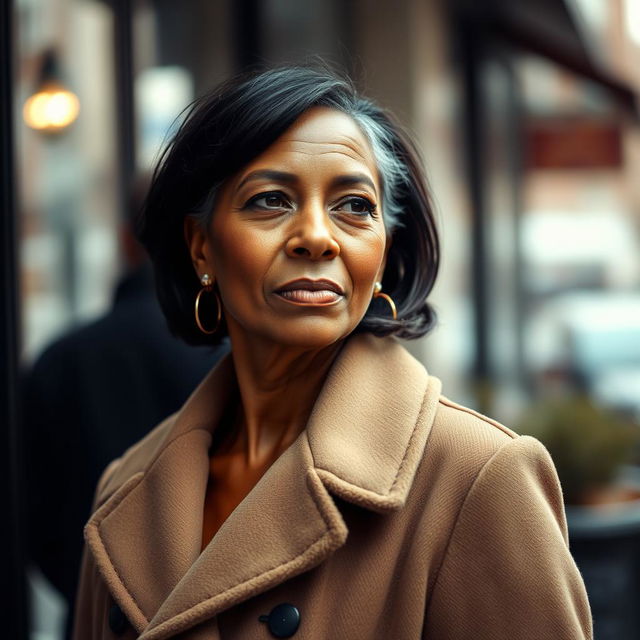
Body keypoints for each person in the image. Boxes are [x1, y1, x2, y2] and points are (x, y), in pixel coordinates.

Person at [72, 65, 592, 639]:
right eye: (270, 200)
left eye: (354, 206)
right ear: (202, 249)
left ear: (382, 253)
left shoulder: (476, 478)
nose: (318, 236)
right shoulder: (129, 485)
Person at [23, 179, 226, 639]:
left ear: (123, 241)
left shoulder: (59, 358)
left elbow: (32, 517)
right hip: (208, 614)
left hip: (96, 611)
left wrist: (94, 584)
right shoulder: (228, 356)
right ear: (202, 245)